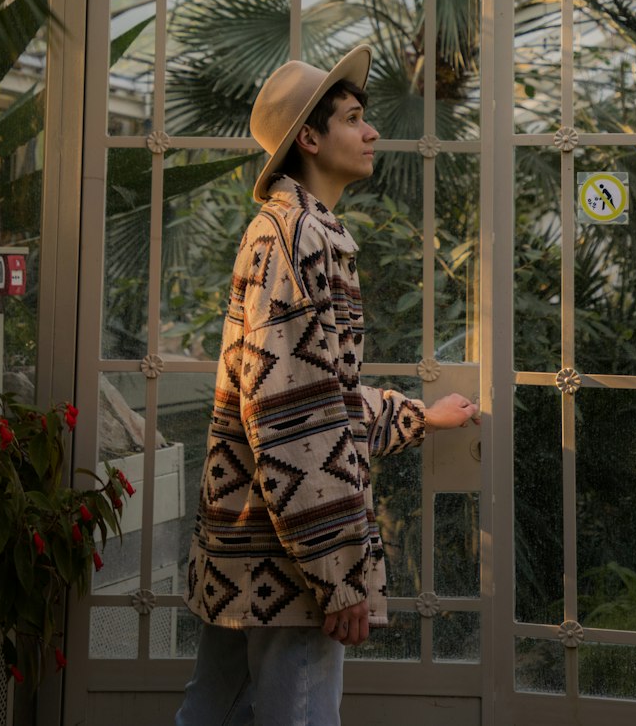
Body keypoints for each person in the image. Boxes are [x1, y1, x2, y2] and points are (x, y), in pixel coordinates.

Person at [176, 45, 479, 726]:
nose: (372, 131)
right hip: (289, 566)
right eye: (352, 119)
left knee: (212, 713)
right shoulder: (298, 240)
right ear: (309, 139)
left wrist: (416, 416)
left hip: (250, 547)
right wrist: (337, 575)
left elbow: (316, 399)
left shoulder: (286, 233)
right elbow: (293, 418)